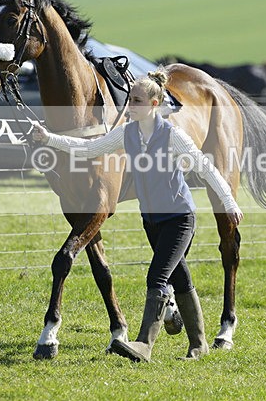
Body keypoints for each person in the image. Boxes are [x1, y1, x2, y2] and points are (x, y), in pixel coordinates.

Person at [33, 70, 244, 362]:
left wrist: (229, 202)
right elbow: (89, 148)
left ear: (154, 105)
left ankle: (143, 344)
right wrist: (49, 139)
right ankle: (199, 345)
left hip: (179, 218)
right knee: (180, 280)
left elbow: (206, 168)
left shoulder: (172, 134)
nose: (129, 105)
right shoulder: (127, 133)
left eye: (137, 101)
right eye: (130, 99)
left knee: (157, 277)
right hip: (152, 221)